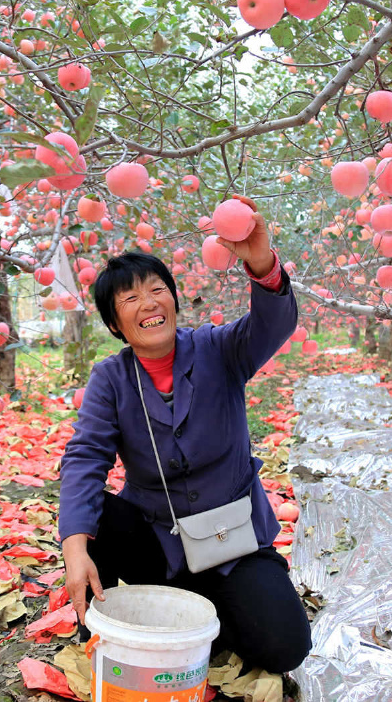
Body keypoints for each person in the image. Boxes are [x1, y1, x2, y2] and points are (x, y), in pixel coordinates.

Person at [58, 195, 312, 675]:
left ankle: (209, 617)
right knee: (91, 516)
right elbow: (85, 457)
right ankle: (102, 633)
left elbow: (272, 324)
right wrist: (74, 550)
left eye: (157, 290)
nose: (148, 304)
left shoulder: (219, 350)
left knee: (285, 648)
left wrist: (261, 263)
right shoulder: (111, 378)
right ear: (114, 323)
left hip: (233, 544)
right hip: (158, 545)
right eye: (130, 299)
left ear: (173, 299)